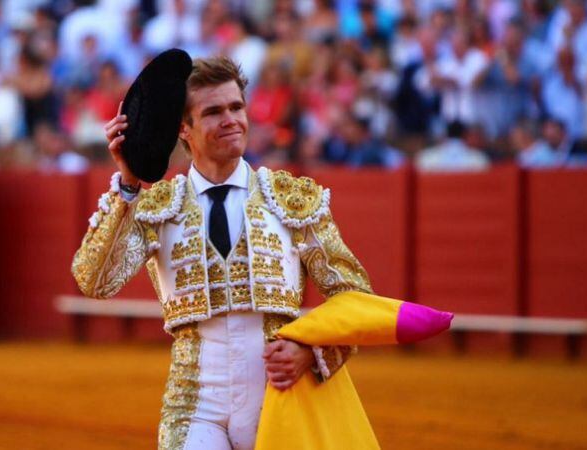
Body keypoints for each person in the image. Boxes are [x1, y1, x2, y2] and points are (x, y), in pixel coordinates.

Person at [71, 56, 373, 450]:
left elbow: (354, 293)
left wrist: (312, 352)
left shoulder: (292, 199)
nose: (231, 119)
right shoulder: (156, 207)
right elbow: (94, 280)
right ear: (184, 128)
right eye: (213, 111)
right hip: (194, 404)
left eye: (237, 107)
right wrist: (128, 184)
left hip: (279, 397)